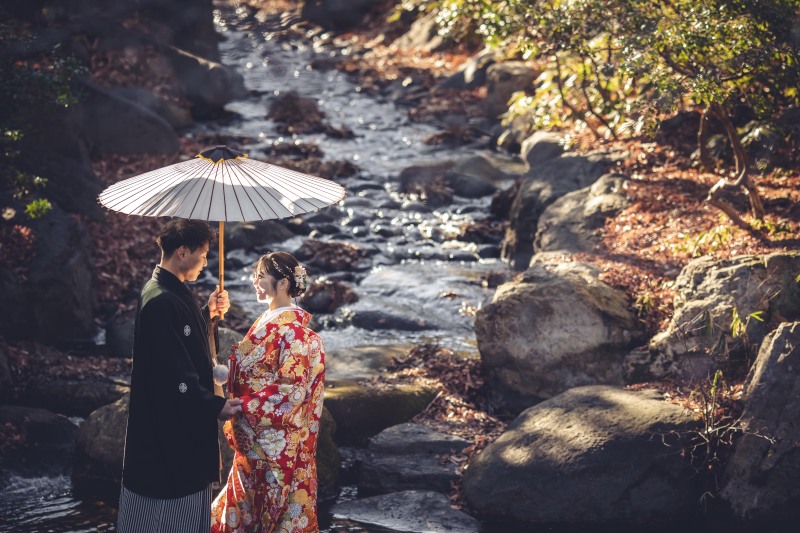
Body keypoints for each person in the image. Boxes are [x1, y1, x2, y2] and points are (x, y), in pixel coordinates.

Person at [117, 218, 244, 533]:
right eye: (202, 256)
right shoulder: (161, 299)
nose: (204, 263)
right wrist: (216, 406)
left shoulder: (166, 289)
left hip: (168, 422)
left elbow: (180, 336)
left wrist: (206, 313)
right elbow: (174, 371)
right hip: (170, 428)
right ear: (183, 252)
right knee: (172, 512)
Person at [211, 251, 326, 533]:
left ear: (284, 284)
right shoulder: (270, 321)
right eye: (255, 276)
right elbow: (251, 373)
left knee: (269, 519)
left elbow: (290, 393)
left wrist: (242, 405)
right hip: (256, 442)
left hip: (276, 448)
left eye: (261, 276)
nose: (254, 282)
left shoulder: (296, 335)